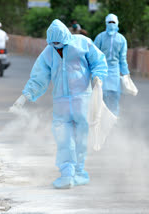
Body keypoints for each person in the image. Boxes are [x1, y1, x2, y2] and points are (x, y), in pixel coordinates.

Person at [10, 19, 108, 189]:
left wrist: (98, 76)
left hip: (82, 99)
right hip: (61, 102)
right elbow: (39, 76)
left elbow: (98, 60)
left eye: (60, 43)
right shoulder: (48, 53)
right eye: (54, 44)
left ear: (66, 37)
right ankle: (67, 174)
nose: (57, 47)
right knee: (63, 138)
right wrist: (25, 95)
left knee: (81, 139)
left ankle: (79, 172)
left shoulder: (83, 43)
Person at [94, 14, 130, 116]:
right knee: (102, 100)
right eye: (109, 22)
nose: (111, 24)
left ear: (117, 23)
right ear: (106, 23)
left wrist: (126, 74)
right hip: (102, 73)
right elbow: (94, 55)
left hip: (114, 75)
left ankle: (113, 123)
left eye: (113, 22)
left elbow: (123, 59)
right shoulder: (100, 38)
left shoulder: (121, 39)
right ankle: (104, 123)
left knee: (113, 99)